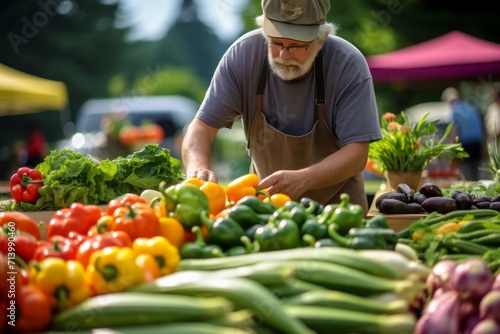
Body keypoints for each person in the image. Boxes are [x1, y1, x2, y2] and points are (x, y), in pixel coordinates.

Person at [182, 0, 381, 214]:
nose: (283, 56)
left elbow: (357, 153)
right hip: (266, 210)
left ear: (321, 39)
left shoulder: (348, 65)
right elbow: (201, 126)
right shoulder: (242, 56)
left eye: (296, 45)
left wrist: (304, 179)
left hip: (339, 211)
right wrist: (198, 168)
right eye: (276, 42)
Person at [441, 87, 484, 181]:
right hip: (477, 142)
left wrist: (452, 147)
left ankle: (469, 193)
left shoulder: (455, 111)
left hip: (466, 143)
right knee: (475, 170)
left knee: (465, 171)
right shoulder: (470, 107)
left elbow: (454, 129)